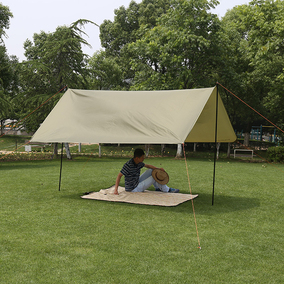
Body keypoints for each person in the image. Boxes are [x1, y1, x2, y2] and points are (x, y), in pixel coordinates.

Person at [114, 148, 179, 195]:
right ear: (137, 158)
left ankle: (157, 188)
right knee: (154, 176)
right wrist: (116, 190)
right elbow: (119, 176)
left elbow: (148, 166)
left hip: (137, 182)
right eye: (142, 157)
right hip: (133, 189)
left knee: (151, 171)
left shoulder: (138, 162)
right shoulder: (128, 165)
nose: (144, 158)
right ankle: (167, 190)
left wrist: (158, 169)